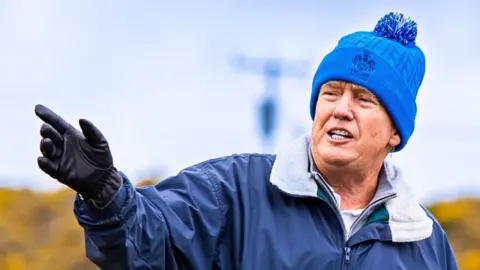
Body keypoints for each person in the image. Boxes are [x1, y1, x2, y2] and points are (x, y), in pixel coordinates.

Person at [35, 12, 458, 270]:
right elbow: (152, 245)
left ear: (395, 133)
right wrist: (107, 195)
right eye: (331, 93)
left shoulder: (425, 243)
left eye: (364, 99)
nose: (341, 108)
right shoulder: (234, 190)